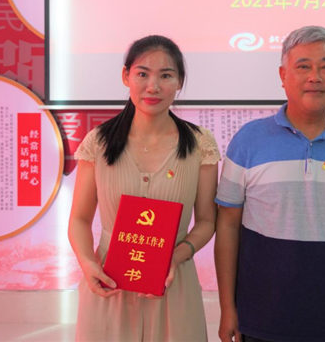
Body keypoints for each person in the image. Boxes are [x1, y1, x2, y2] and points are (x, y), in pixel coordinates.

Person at [215, 26, 325, 342]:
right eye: (303, 66)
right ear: (283, 75)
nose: (315, 77)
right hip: (260, 319)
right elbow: (227, 226)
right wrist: (228, 307)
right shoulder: (248, 140)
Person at [68, 35, 221, 341]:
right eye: (142, 74)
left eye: (166, 76)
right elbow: (79, 219)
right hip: (109, 285)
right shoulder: (98, 142)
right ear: (126, 76)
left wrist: (175, 257)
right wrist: (87, 264)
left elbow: (206, 221)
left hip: (173, 285)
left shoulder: (200, 144)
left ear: (179, 82)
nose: (153, 87)